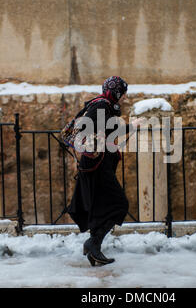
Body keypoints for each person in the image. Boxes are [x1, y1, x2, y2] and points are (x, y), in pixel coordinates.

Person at [67, 76, 136, 267]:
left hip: (97, 164)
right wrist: (133, 127)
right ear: (116, 92)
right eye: (123, 93)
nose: (124, 98)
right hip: (97, 166)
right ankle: (93, 243)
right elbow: (104, 130)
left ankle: (94, 248)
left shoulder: (105, 106)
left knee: (100, 205)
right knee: (119, 204)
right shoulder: (101, 106)